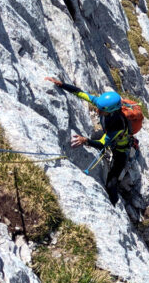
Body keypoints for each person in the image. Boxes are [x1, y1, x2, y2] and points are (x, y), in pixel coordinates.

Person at [46, 77, 131, 205]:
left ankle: (114, 205)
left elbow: (102, 144)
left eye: (101, 110)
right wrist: (62, 85)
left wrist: (86, 140)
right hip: (113, 141)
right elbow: (81, 93)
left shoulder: (117, 124)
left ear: (111, 111)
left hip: (121, 151)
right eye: (98, 107)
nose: (97, 110)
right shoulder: (104, 105)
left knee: (110, 183)